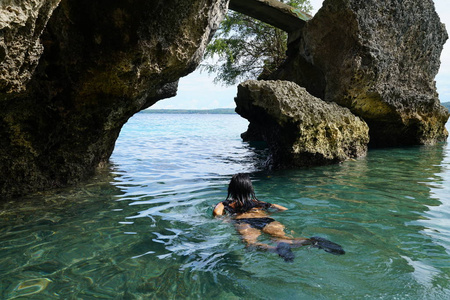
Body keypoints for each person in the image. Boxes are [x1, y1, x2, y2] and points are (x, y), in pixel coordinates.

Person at [213, 173, 345, 261]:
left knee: (251, 244)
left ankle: (275, 250)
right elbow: (282, 208)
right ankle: (312, 241)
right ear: (250, 189)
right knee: (287, 239)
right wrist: (269, 214)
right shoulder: (259, 203)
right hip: (265, 219)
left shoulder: (226, 204)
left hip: (244, 222)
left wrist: (227, 219)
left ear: (231, 189)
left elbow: (217, 214)